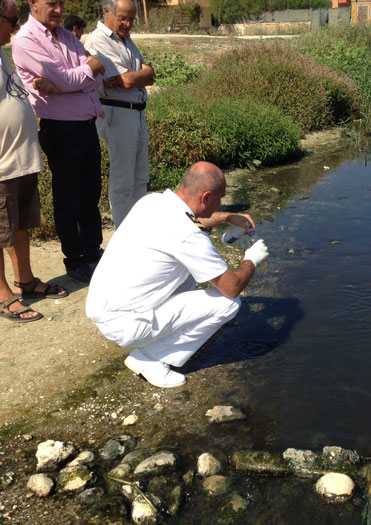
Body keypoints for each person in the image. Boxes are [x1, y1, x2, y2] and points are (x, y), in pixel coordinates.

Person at [86, 162, 269, 388]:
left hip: (106, 308)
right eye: (220, 198)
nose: (221, 202)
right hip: (126, 324)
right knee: (228, 303)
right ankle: (151, 358)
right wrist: (252, 258)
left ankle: (155, 341)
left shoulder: (152, 202)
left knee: (191, 272)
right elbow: (232, 286)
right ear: (206, 197)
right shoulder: (189, 236)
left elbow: (191, 219)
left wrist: (228, 217)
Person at [12, 0, 106, 283]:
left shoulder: (66, 36)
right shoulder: (26, 40)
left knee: (91, 194)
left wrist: (66, 85)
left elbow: (94, 79)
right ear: (33, 3)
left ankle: (92, 251)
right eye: (52, 3)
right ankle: (74, 259)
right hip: (61, 129)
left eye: (61, 3)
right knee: (69, 197)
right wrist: (80, 75)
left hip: (87, 125)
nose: (59, 10)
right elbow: (68, 77)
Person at [0, 0, 68, 323]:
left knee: (21, 224)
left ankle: (24, 280)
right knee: (1, 231)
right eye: (12, 20)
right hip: (2, 162)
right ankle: (2, 295)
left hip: (21, 158)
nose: (15, 27)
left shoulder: (2, 53)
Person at [85, 0, 154, 228]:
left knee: (140, 177)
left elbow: (148, 74)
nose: (127, 24)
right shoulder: (99, 40)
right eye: (123, 18)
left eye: (131, 19)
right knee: (123, 180)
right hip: (117, 111)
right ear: (107, 12)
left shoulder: (126, 39)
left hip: (136, 111)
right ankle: (124, 235)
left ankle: (139, 231)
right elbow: (122, 80)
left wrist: (135, 77)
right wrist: (136, 77)